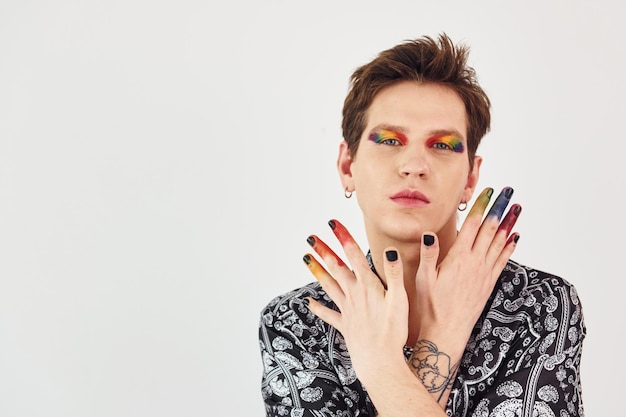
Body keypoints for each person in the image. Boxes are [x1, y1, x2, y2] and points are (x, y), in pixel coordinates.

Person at [258, 33, 585, 417]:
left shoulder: (538, 305)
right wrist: (440, 336)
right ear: (348, 166)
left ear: (469, 179)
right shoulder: (297, 320)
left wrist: (384, 368)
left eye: (443, 145)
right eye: (389, 141)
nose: (414, 165)